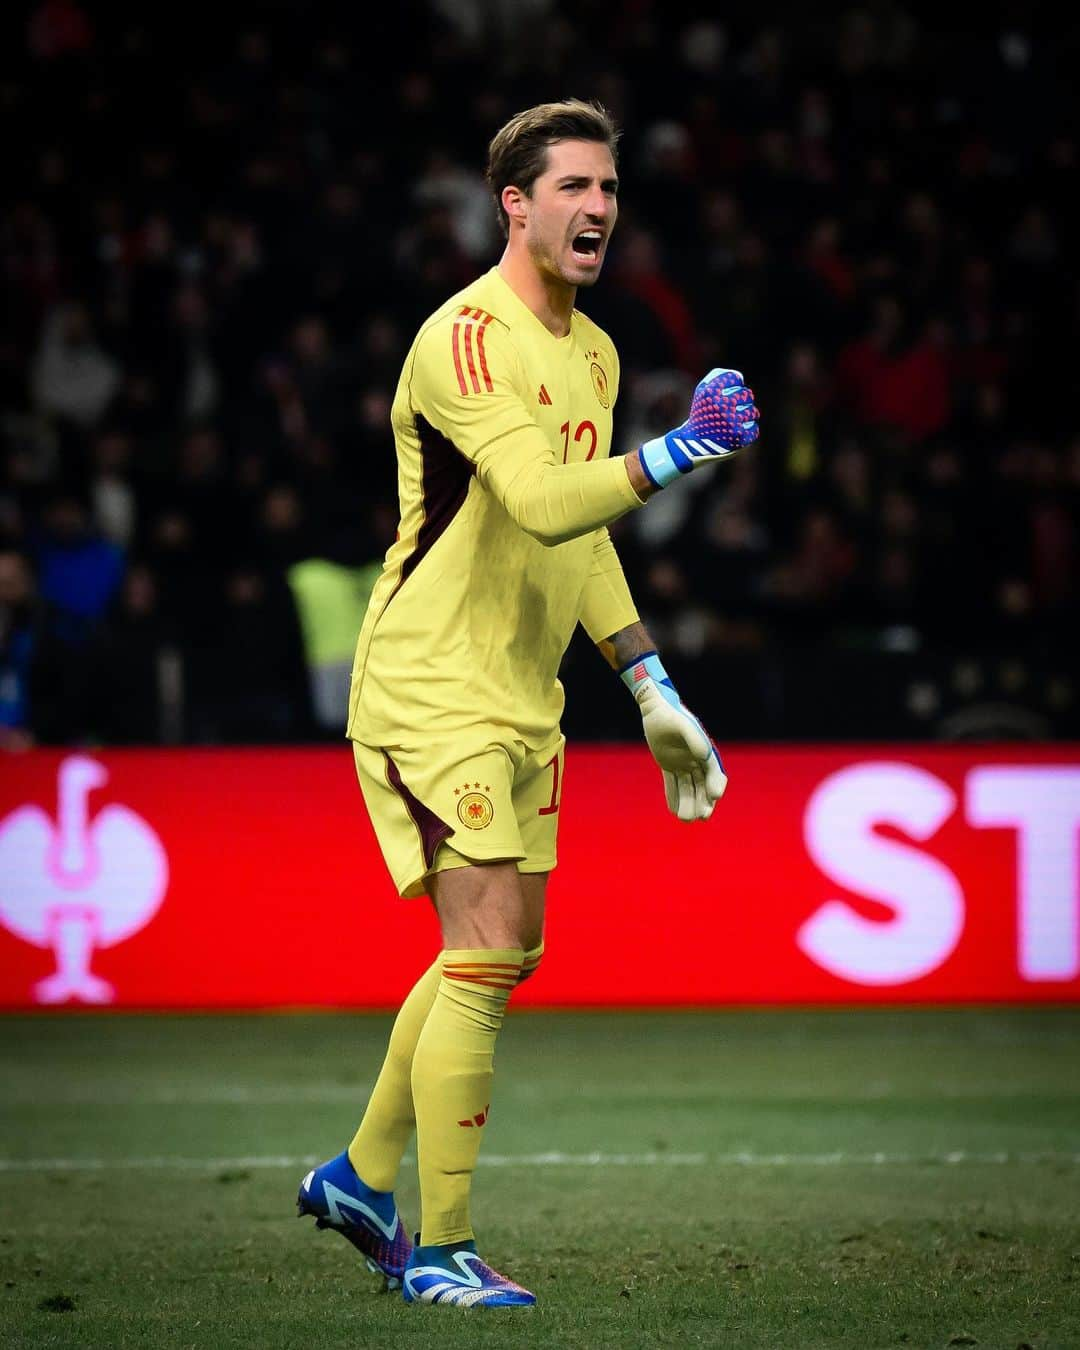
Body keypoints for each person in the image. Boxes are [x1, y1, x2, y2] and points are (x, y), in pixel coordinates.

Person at [296, 99, 760, 1308]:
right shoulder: (463, 340)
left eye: (609, 188)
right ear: (516, 203)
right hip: (429, 683)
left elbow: (582, 538)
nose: (598, 207)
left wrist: (651, 683)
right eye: (572, 187)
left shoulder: (596, 353)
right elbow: (543, 499)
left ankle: (358, 1174)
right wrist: (683, 451)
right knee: (488, 952)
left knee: (496, 953)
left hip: (522, 692)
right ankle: (438, 1250)